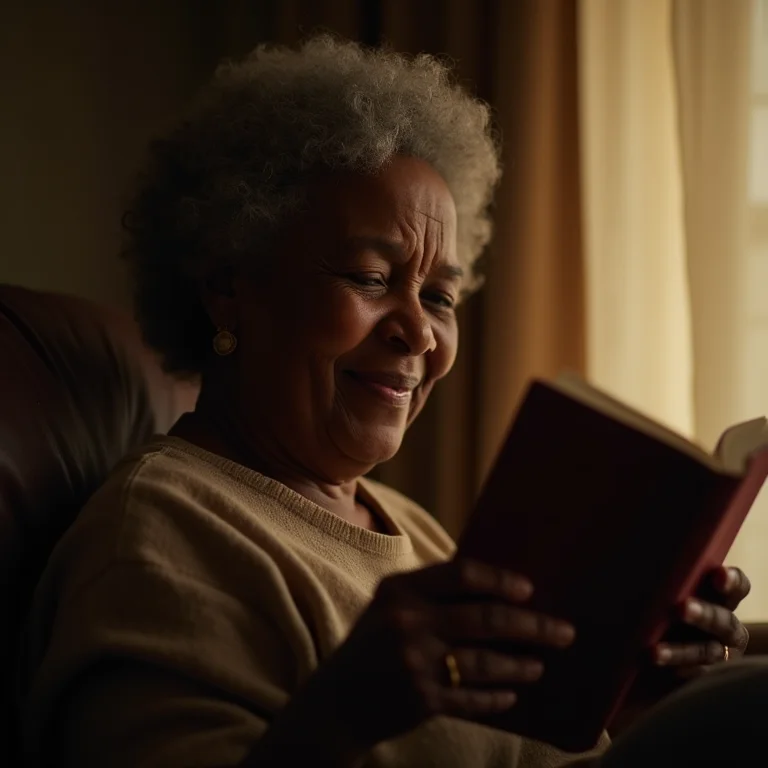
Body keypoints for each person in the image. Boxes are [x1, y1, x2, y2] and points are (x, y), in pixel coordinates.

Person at [21, 35, 754, 768]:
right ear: (230, 286)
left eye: (439, 296)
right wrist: (340, 716)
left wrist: (635, 709)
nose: (418, 333)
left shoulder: (414, 530)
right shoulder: (155, 539)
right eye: (371, 279)